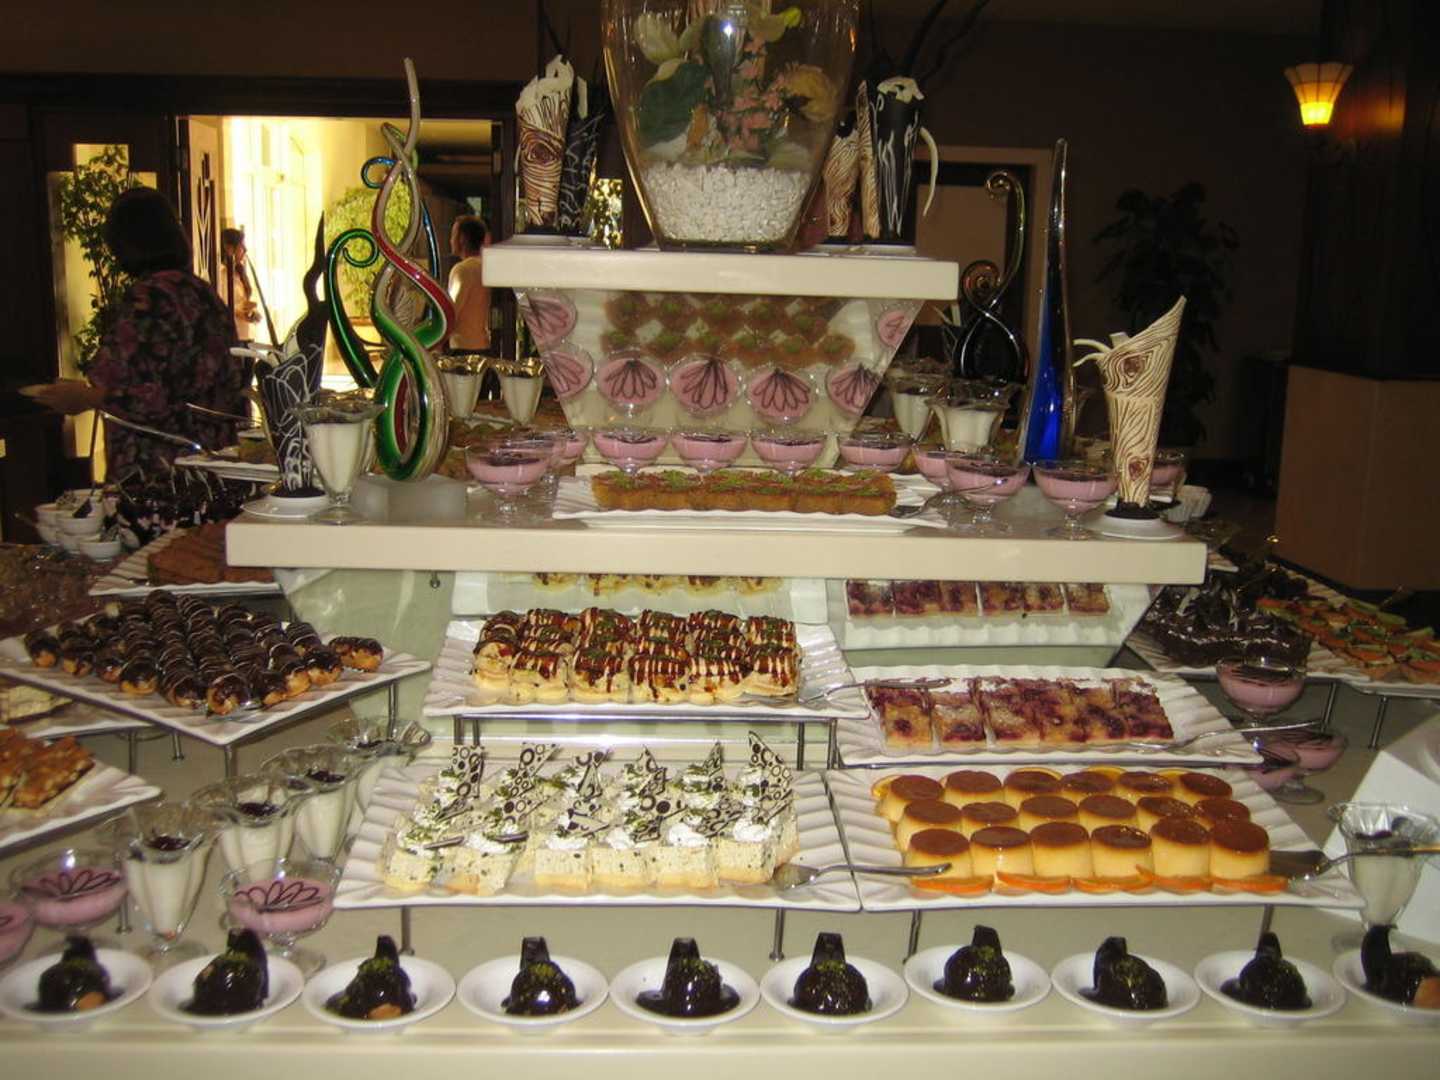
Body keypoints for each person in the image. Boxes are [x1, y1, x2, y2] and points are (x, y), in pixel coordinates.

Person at [24, 187, 246, 476]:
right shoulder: (201, 292)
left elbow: (152, 398)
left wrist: (86, 397)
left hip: (163, 467)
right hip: (213, 458)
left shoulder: (149, 298)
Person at [447, 214, 492, 352]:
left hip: (462, 347)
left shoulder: (462, 270)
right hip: (483, 345)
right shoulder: (485, 267)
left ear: (462, 239)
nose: (450, 240)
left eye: (453, 234)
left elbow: (451, 312)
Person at [217, 226, 261, 345]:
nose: (245, 249)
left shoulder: (239, 272)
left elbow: (243, 302)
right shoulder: (220, 274)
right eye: (241, 245)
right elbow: (221, 305)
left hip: (247, 335)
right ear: (229, 248)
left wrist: (252, 313)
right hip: (233, 337)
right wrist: (240, 311)